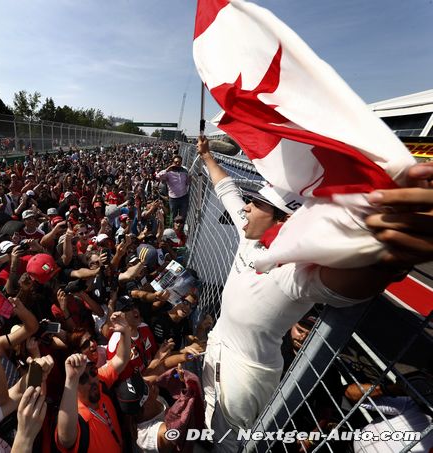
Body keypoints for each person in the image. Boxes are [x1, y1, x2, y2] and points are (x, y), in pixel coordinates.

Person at [195, 136, 427, 451]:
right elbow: (227, 190)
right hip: (216, 348)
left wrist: (391, 258)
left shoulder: (290, 273)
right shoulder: (248, 233)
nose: (246, 207)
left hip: (244, 374)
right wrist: (207, 156)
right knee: (210, 421)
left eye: (258, 204)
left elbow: (350, 285)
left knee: (231, 443)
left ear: (284, 220)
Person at [55, 312, 132, 453]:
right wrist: (71, 379)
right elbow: (65, 439)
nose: (92, 381)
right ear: (73, 387)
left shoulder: (100, 380)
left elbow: (121, 359)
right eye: (82, 379)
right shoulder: (76, 415)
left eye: (93, 372)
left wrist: (125, 332)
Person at [155, 155, 190, 220]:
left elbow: (187, 183)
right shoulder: (168, 172)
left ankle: (180, 229)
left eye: (179, 162)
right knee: (174, 216)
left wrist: (189, 179)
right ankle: (173, 228)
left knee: (183, 215)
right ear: (173, 163)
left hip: (184, 197)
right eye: (176, 162)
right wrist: (167, 170)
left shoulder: (185, 171)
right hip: (174, 199)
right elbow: (157, 177)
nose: (178, 163)